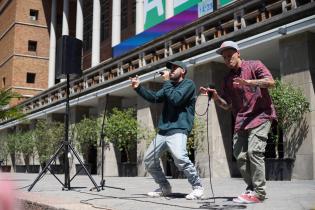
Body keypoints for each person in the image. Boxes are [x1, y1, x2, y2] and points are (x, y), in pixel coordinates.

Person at [200, 41, 276, 204]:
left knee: (254, 152)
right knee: (240, 155)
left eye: (230, 55)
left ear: (238, 53)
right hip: (241, 120)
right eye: (224, 57)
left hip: (261, 115)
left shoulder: (254, 65)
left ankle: (259, 193)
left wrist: (249, 82)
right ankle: (251, 188)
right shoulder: (227, 79)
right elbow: (227, 105)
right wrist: (215, 97)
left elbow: (270, 82)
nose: (227, 59)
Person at [130, 61, 204, 200]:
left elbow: (176, 99)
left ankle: (197, 187)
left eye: (175, 68)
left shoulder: (188, 85)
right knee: (149, 159)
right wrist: (138, 87)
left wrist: (166, 81)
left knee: (180, 158)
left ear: (183, 71)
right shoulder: (168, 86)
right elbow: (155, 97)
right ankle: (165, 187)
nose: (171, 70)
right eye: (170, 68)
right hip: (163, 131)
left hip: (178, 128)